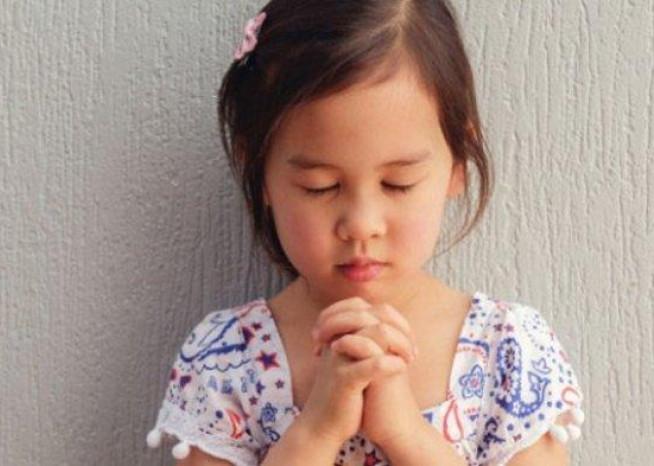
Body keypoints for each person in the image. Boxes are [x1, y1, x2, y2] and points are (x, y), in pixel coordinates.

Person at [145, 1, 585, 464]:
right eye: (320, 187)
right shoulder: (227, 360)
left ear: (457, 162)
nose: (361, 225)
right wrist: (318, 429)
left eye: (398, 183)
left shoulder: (508, 351)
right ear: (258, 170)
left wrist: (403, 431)